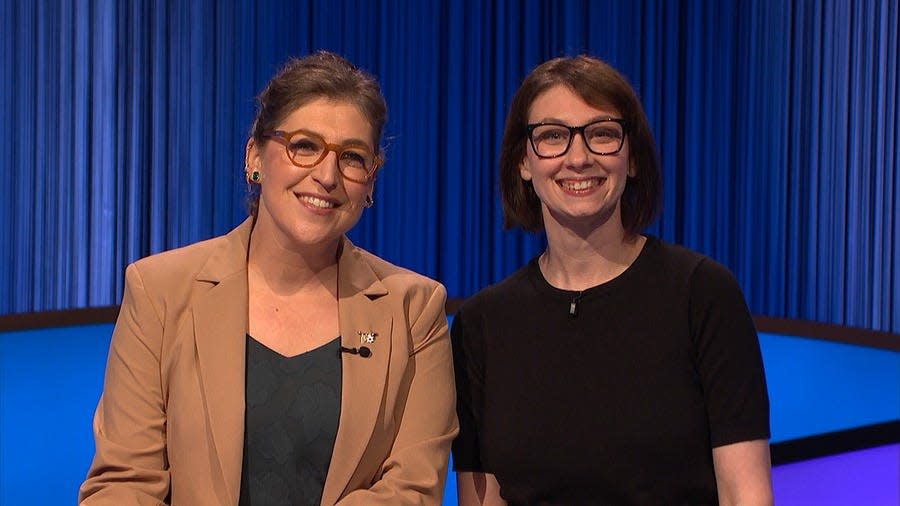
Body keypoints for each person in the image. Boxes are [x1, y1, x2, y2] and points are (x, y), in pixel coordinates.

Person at [79, 51, 457, 506]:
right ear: (254, 156)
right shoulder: (159, 290)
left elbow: (411, 491)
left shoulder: (413, 309)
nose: (326, 175)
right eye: (304, 145)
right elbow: (123, 484)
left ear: (370, 181)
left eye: (352, 157)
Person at [451, 55, 772, 505]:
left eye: (602, 134)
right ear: (523, 162)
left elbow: (745, 494)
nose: (578, 158)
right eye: (553, 137)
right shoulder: (481, 324)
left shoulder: (701, 293)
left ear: (633, 157)